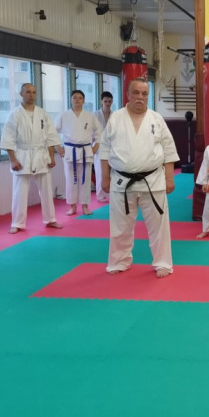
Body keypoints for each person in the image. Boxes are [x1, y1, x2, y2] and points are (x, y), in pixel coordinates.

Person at [99, 79, 178, 278]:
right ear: (128, 94)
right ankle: (119, 261)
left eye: (144, 93)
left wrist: (169, 178)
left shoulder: (156, 119)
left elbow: (169, 149)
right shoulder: (116, 118)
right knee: (120, 225)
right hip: (121, 181)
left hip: (153, 180)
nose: (140, 97)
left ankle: (162, 262)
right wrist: (105, 177)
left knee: (159, 226)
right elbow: (105, 150)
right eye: (136, 92)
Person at [0, 83, 62, 234]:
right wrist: (13, 159)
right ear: (21, 94)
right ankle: (17, 223)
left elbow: (51, 136)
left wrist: (51, 156)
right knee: (19, 192)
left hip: (41, 154)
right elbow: (8, 138)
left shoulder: (42, 113)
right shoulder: (15, 114)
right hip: (22, 154)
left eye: (34, 92)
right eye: (28, 92)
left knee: (46, 190)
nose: (31, 95)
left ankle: (50, 219)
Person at [55, 90, 102, 216]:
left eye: (80, 98)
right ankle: (72, 206)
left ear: (84, 101)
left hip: (86, 150)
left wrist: (96, 145)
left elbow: (99, 131)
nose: (77, 100)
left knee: (85, 180)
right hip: (70, 150)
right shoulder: (64, 115)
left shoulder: (90, 116)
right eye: (75, 97)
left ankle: (85, 206)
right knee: (70, 179)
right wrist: (57, 146)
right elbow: (53, 131)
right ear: (71, 100)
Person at [93, 91, 114, 202]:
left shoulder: (115, 115)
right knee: (100, 172)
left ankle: (110, 194)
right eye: (105, 101)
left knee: (111, 172)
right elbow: (91, 131)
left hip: (112, 147)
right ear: (101, 101)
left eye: (109, 101)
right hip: (99, 147)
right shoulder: (95, 115)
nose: (107, 103)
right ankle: (100, 195)